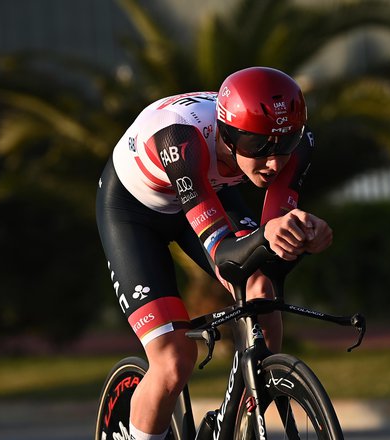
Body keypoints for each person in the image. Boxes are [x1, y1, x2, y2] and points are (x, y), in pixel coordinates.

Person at [96, 66, 333, 440]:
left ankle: (245, 410)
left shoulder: (297, 143)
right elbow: (224, 254)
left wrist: (304, 235)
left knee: (260, 288)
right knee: (173, 361)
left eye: (283, 145)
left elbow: (269, 246)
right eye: (258, 147)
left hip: (206, 190)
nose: (274, 162)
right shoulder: (180, 138)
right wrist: (267, 236)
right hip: (134, 212)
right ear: (226, 135)